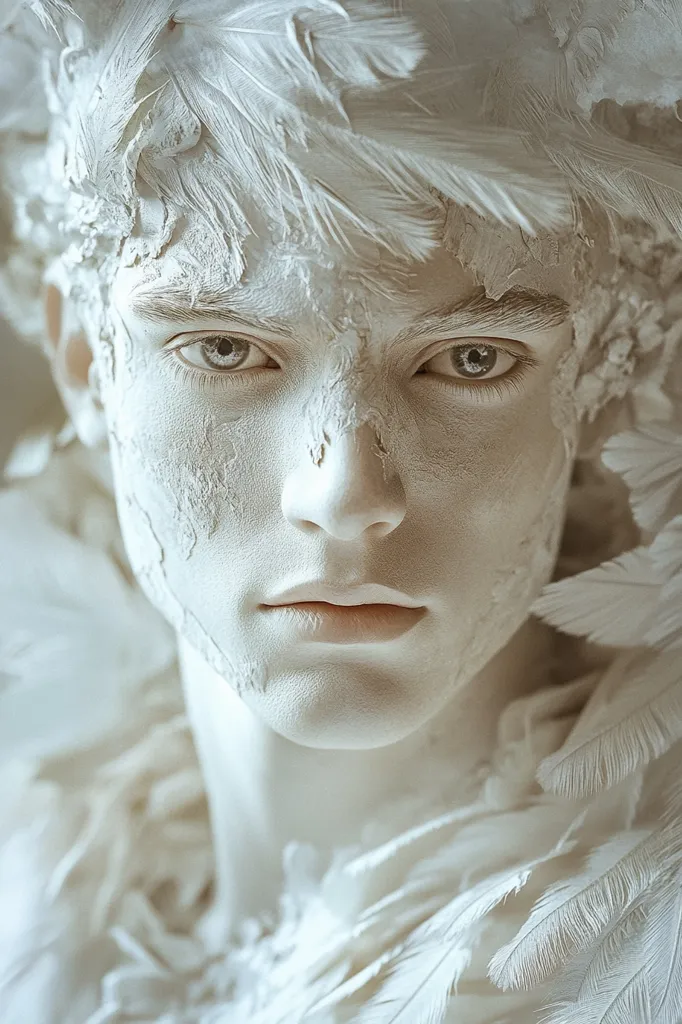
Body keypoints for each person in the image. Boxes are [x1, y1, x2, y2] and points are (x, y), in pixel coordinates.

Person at [0, 1, 680, 1021]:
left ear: (608, 379)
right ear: (86, 360)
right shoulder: (40, 888)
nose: (345, 495)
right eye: (225, 349)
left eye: (471, 359)